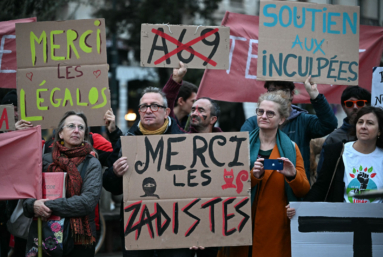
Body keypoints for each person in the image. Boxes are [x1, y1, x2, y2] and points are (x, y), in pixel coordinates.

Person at [103, 87, 195, 257]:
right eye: (144, 106)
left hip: (177, 226)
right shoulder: (127, 142)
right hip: (138, 226)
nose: (148, 110)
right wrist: (115, 173)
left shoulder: (185, 142)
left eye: (154, 106)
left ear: (166, 111)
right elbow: (111, 186)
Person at [222, 91, 310, 257]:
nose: (264, 116)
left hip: (274, 226)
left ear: (281, 119)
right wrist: (254, 176)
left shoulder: (291, 148)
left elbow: (304, 190)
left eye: (270, 113)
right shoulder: (239, 145)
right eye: (260, 112)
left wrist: (292, 176)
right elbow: (226, 185)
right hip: (241, 223)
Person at [23, 111, 102, 256]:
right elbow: (27, 197)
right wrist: (33, 204)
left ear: (85, 135)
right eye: (71, 126)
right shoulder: (43, 160)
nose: (76, 130)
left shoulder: (92, 164)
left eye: (81, 127)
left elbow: (87, 202)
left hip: (79, 240)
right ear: (60, 133)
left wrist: (46, 206)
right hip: (43, 235)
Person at [287, 106, 383, 219]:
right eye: (360, 122)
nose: (363, 127)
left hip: (377, 225)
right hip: (343, 223)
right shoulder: (336, 151)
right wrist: (300, 208)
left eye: (370, 123)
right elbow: (321, 187)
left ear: (379, 130)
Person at [241, 77, 338, 182]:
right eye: (273, 90)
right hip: (261, 187)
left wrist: (315, 95)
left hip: (294, 187)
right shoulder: (252, 123)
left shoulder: (303, 120)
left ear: (292, 94)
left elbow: (329, 124)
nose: (278, 94)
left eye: (283, 90)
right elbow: (242, 155)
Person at [316, 86, 371, 174]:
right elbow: (323, 177)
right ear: (344, 107)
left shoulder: (377, 136)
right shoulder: (333, 139)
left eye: (360, 103)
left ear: (368, 106)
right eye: (350, 104)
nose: (355, 107)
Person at [163, 62, 223, 134]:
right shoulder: (182, 138)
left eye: (201, 110)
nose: (194, 113)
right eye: (193, 110)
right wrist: (175, 79)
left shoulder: (225, 142)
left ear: (213, 119)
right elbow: (165, 103)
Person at [163, 62, 198, 130]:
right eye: (193, 101)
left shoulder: (192, 125)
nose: (196, 105)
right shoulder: (163, 119)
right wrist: (175, 79)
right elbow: (166, 98)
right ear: (181, 101)